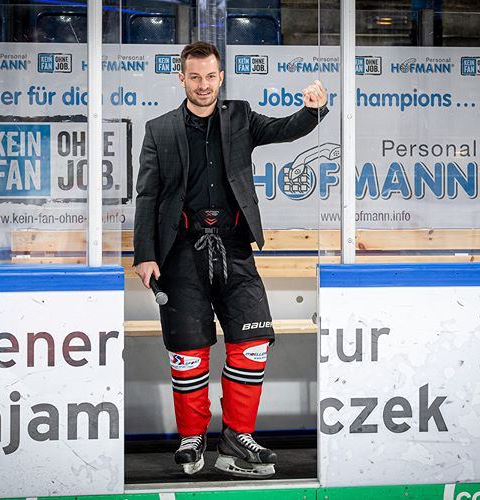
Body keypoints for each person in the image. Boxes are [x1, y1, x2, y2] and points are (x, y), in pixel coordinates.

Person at [133, 41, 328, 478]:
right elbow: (148, 195)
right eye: (195, 76)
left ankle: (237, 436)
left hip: (235, 247)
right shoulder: (159, 129)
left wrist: (313, 111)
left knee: (253, 342)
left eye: (210, 76)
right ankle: (191, 438)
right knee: (188, 350)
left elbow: (284, 129)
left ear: (221, 78)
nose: (203, 85)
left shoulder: (239, 118)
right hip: (180, 250)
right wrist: (144, 255)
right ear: (181, 78)